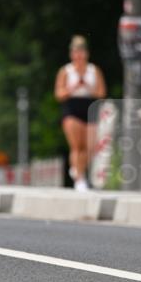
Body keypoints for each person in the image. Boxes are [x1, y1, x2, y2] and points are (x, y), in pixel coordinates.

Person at [54, 35, 107, 191]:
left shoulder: (94, 70)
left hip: (90, 106)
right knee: (77, 146)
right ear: (72, 54)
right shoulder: (66, 71)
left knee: (89, 147)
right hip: (72, 107)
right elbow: (59, 94)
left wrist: (88, 87)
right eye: (76, 52)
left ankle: (78, 169)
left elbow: (101, 93)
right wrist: (73, 88)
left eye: (82, 52)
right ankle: (79, 179)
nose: (79, 56)